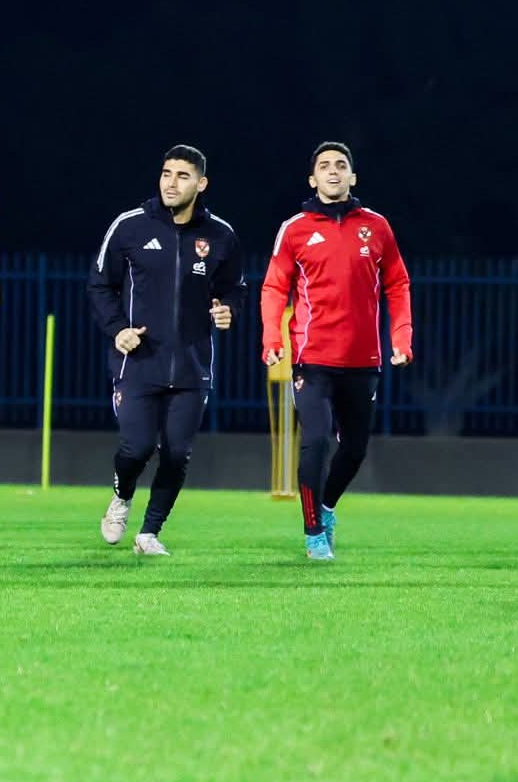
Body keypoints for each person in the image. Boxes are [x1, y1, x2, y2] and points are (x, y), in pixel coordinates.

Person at [259, 142, 412, 562]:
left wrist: (401, 338)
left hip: (364, 361)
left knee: (356, 448)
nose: (332, 171)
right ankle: (313, 534)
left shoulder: (377, 227)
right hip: (312, 357)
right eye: (324, 166)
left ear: (352, 177)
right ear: (313, 179)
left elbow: (398, 284)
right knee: (316, 440)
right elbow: (274, 287)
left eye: (340, 165)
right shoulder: (295, 228)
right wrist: (272, 338)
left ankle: (326, 508)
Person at [85, 146, 240, 555]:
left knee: (176, 453)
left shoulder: (220, 235)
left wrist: (228, 310)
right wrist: (118, 330)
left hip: (191, 368)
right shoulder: (130, 226)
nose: (171, 183)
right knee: (137, 447)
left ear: (201, 184)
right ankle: (121, 498)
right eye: (166, 173)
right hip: (137, 362)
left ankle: (149, 532)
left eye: (182, 176)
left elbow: (233, 288)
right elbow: (100, 285)